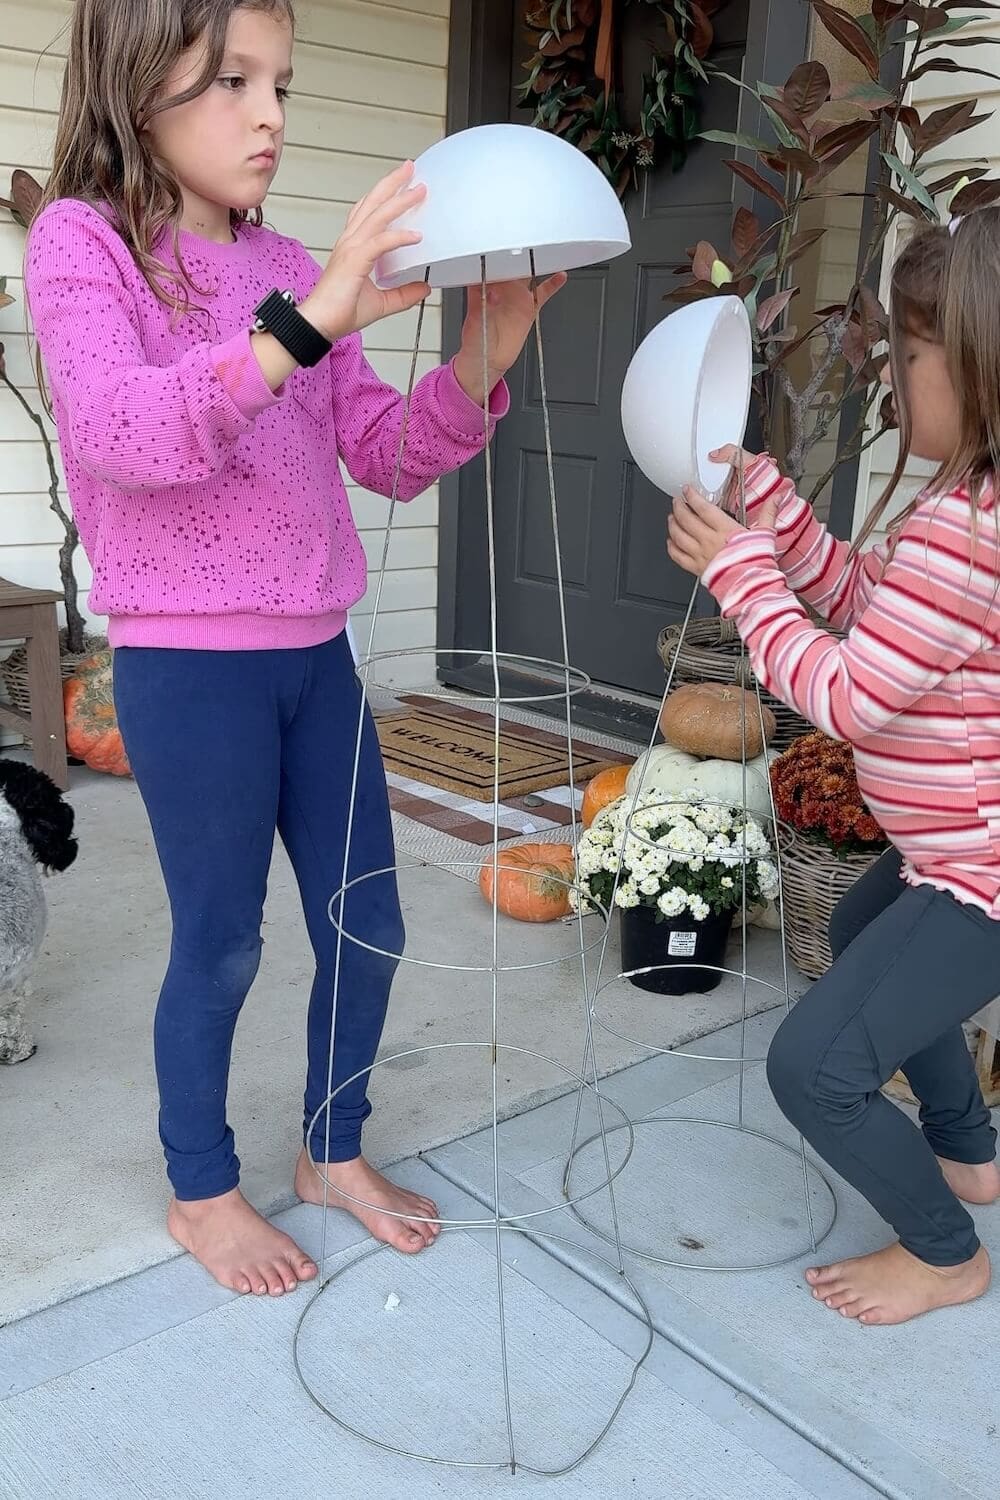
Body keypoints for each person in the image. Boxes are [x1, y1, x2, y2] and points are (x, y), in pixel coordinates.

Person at [24, 0, 564, 1299]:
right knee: (221, 942)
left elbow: (383, 450)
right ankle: (202, 1188)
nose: (269, 113)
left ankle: (332, 1151)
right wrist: (310, 314)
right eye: (231, 82)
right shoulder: (81, 243)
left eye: (283, 83)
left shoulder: (289, 260)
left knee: (368, 925)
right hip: (188, 671)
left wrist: (484, 354)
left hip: (315, 660)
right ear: (138, 85)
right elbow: (125, 434)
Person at [666, 209, 1000, 1325]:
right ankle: (966, 1152)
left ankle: (945, 1251)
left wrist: (744, 581)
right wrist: (770, 510)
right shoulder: (960, 508)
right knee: (859, 935)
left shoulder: (965, 535)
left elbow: (847, 697)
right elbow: (865, 608)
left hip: (977, 878)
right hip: (949, 855)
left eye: (910, 354)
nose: (895, 378)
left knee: (812, 1067)